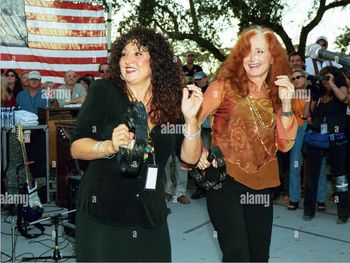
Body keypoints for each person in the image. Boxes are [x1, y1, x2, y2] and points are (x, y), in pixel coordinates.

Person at [70, 27, 202, 262]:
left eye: (138, 53)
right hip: (103, 211)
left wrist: (191, 120)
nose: (128, 60)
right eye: (123, 54)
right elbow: (77, 146)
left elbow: (190, 159)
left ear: (157, 62)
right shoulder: (104, 91)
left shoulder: (171, 102)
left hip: (149, 212)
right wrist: (108, 146)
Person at [196, 25, 298, 262]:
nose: (253, 58)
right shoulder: (222, 87)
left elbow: (285, 145)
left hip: (263, 183)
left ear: (273, 57)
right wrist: (199, 150)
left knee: (259, 256)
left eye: (260, 52)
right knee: (237, 254)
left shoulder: (277, 93)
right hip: (225, 180)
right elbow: (189, 120)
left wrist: (285, 105)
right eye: (247, 51)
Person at [303, 66, 349, 224]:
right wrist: (311, 97)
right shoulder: (319, 94)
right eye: (323, 79)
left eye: (328, 78)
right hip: (316, 139)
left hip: (336, 141)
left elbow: (344, 99)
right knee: (312, 176)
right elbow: (306, 114)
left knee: (340, 177)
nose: (326, 82)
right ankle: (309, 210)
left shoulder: (340, 89)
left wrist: (333, 84)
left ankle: (343, 213)